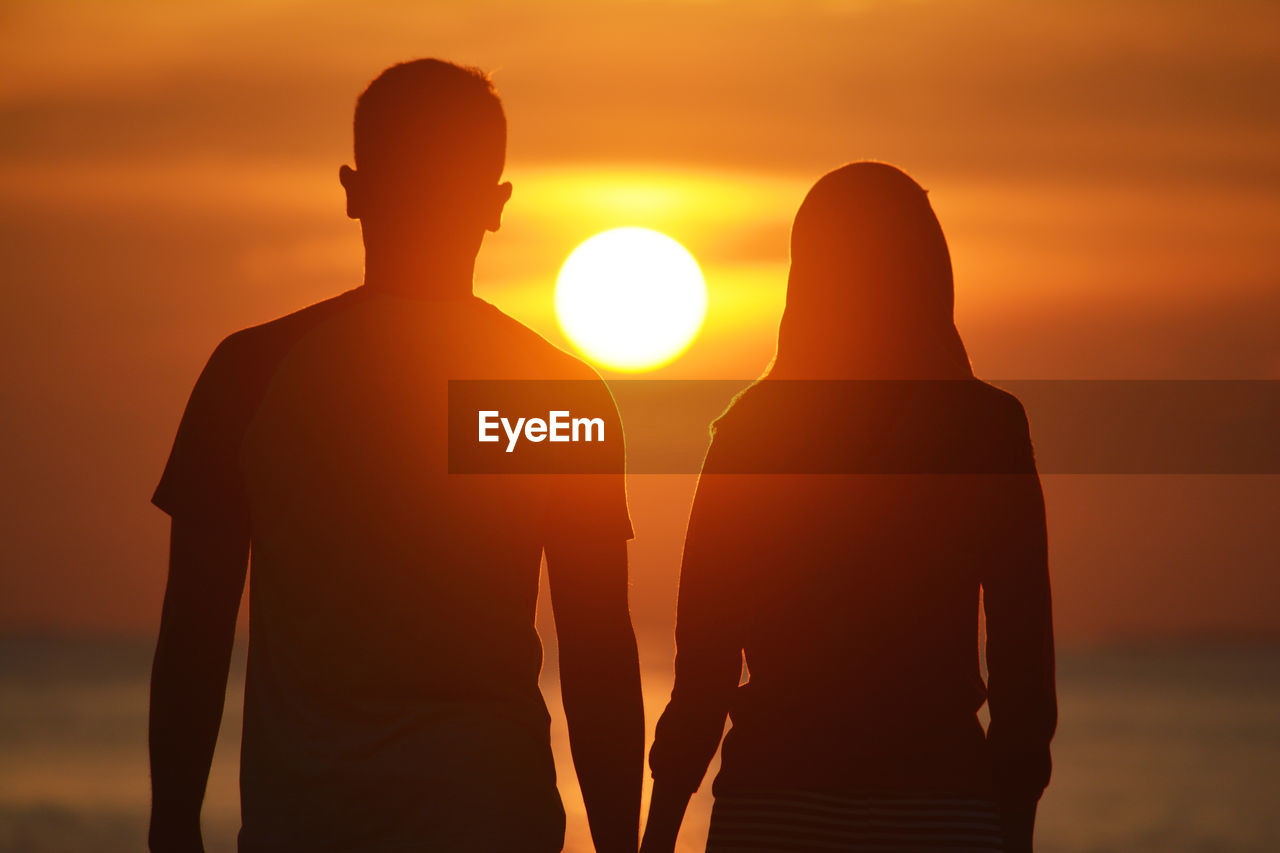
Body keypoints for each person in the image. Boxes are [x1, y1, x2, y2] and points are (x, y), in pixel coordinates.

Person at [147, 59, 643, 853]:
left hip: (304, 822)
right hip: (491, 815)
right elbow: (599, 653)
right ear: (496, 205)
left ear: (353, 188)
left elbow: (194, 633)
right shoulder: (559, 395)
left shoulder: (248, 374)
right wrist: (623, 842)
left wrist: (172, 824)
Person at [640, 163, 1057, 853]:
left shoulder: (753, 431)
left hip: (771, 805)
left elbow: (703, 671)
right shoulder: (988, 428)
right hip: (941, 806)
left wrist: (654, 836)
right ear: (930, 273)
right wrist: (1012, 829)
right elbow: (1024, 669)